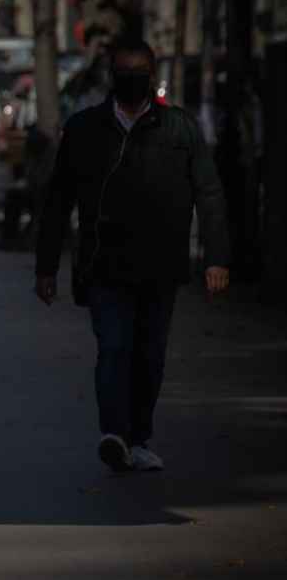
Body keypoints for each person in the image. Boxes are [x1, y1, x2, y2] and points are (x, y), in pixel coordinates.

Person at [34, 37, 230, 474]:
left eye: (139, 72)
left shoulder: (179, 129)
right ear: (112, 76)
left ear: (152, 75)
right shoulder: (85, 129)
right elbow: (58, 200)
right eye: (125, 72)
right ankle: (114, 434)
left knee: (150, 355)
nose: (132, 80)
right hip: (105, 265)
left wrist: (217, 257)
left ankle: (139, 437)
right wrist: (46, 268)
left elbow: (209, 193)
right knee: (115, 347)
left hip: (161, 266)